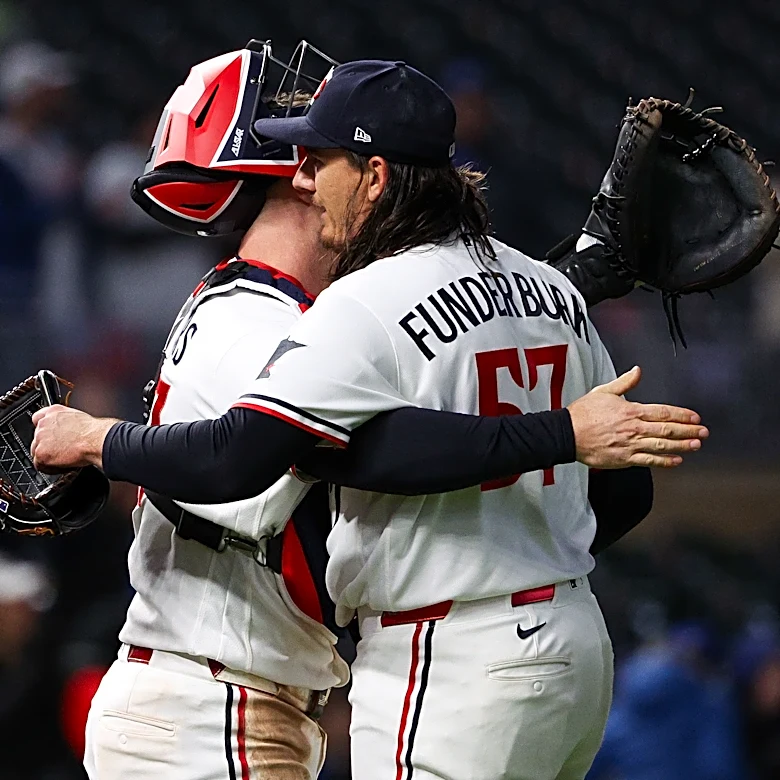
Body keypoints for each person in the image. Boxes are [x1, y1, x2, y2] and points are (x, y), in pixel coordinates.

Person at [32, 60, 708, 780]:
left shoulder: (326, 313)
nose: (305, 178)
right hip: (213, 702)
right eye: (298, 163)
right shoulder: (274, 317)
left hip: (325, 679)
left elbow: (360, 405)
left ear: (375, 177)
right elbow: (281, 450)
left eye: (317, 160)